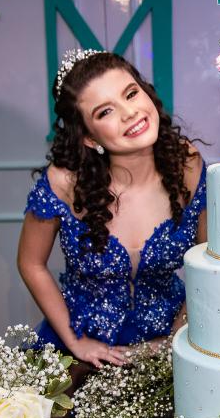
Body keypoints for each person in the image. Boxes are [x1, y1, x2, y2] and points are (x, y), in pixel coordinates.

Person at [18, 50, 206, 368]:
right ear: (89, 138)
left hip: (173, 339)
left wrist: (177, 336)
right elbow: (30, 263)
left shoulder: (185, 163)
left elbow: (209, 261)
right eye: (105, 111)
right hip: (86, 350)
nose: (129, 113)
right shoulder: (64, 181)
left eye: (131, 94)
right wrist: (76, 341)